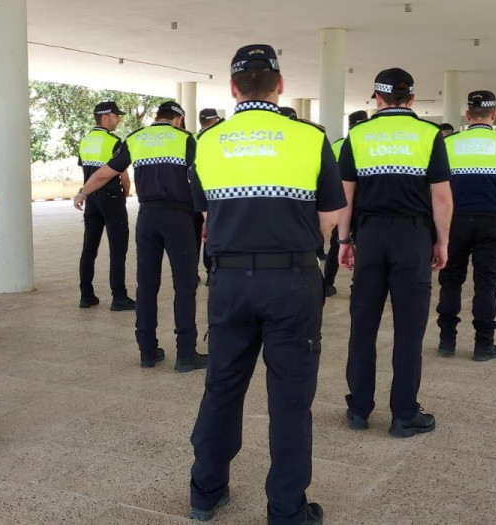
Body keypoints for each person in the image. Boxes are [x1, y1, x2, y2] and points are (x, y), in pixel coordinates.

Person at [188, 44, 344, 525]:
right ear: (279, 85)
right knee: (291, 400)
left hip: (229, 281)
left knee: (222, 387)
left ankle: (205, 493)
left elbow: (207, 216)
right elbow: (331, 216)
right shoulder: (308, 138)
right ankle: (287, 509)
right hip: (292, 282)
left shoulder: (208, 141)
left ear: (233, 88)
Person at [337, 68, 452, 437]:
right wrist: (442, 241)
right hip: (413, 237)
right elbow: (441, 196)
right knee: (409, 329)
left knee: (363, 324)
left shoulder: (358, 134)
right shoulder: (430, 135)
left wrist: (343, 240)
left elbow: (346, 194)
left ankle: (359, 409)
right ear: (412, 99)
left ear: (377, 97)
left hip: (369, 236)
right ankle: (404, 415)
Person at [76, 101, 208, 372]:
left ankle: (147, 351)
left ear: (157, 117)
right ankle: (186, 353)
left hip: (147, 218)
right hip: (178, 218)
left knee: (146, 284)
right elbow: (203, 180)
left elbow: (105, 173)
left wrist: (83, 192)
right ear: (179, 120)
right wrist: (209, 220)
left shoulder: (136, 138)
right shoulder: (187, 139)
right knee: (184, 285)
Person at [435, 91, 496, 362]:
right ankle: (483, 345)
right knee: (486, 284)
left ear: (467, 114)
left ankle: (446, 340)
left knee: (450, 280)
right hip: (491, 220)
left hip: (455, 221)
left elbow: (436, 188)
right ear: (494, 115)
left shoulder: (449, 143)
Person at [77, 101, 135, 311]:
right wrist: (125, 194)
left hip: (91, 198)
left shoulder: (84, 141)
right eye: (116, 115)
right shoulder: (114, 141)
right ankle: (119, 297)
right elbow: (123, 174)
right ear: (105, 117)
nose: (118, 119)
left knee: (89, 247)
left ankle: (86, 295)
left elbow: (86, 171)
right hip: (111, 197)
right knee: (117, 249)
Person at [324, 109, 370, 298]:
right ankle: (356, 285)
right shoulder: (369, 144)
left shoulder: (337, 146)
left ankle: (328, 283)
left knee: (337, 243)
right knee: (362, 246)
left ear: (349, 125)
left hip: (341, 204)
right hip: (363, 203)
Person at [192, 109, 222, 282]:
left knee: (192, 236)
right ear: (215, 120)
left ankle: (191, 272)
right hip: (211, 194)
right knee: (211, 232)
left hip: (191, 194)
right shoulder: (217, 139)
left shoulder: (192, 139)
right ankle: (211, 272)